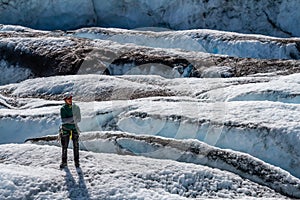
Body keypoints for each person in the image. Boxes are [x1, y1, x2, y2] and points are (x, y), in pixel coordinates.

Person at [59, 93, 81, 169]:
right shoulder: (63, 109)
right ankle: (64, 162)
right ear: (65, 100)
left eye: (71, 98)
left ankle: (77, 161)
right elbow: (64, 120)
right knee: (64, 146)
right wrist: (73, 119)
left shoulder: (76, 107)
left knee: (76, 146)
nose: (70, 100)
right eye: (68, 99)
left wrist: (70, 120)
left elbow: (79, 119)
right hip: (66, 129)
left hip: (73, 129)